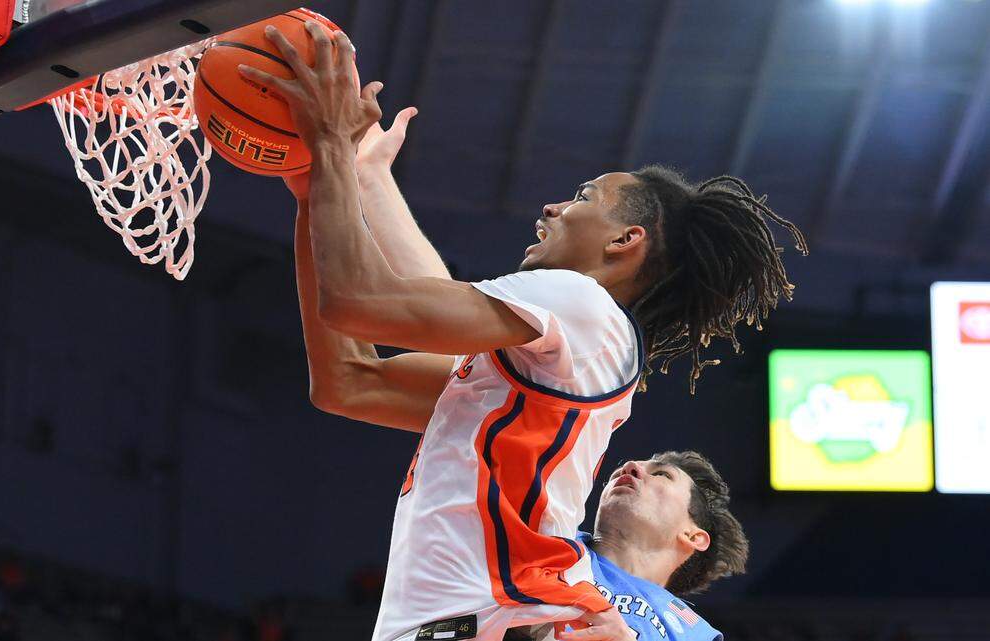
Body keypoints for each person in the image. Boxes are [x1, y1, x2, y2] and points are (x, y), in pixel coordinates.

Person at [239, 20, 804, 641]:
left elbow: (364, 301)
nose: (554, 207)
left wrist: (330, 156)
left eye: (583, 195)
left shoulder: (582, 303)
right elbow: (350, 379)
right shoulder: (544, 366)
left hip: (500, 621)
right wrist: (327, 186)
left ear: (625, 240)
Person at [512, 451, 747, 641]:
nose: (631, 466)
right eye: (619, 471)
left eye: (663, 475)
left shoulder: (693, 632)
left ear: (693, 536)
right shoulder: (547, 542)